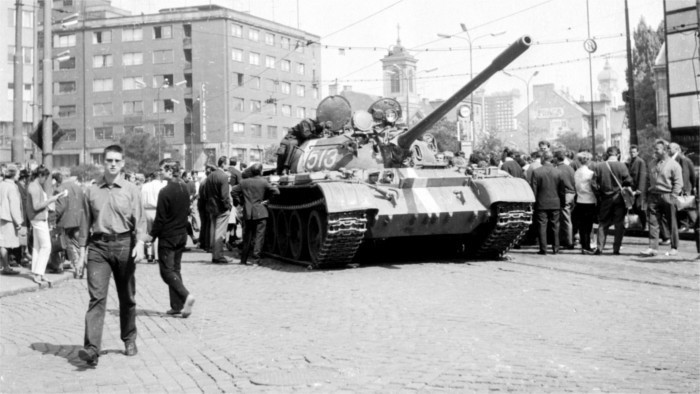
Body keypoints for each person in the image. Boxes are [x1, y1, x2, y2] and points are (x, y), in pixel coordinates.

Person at [77, 145, 147, 367]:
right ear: (103, 162)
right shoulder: (92, 190)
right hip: (98, 248)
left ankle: (129, 339)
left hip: (124, 245)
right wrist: (81, 253)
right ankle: (91, 349)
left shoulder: (131, 189)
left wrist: (141, 244)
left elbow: (141, 220)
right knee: (97, 298)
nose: (113, 164)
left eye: (117, 160)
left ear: (123, 163)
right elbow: (84, 223)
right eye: (109, 160)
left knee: (127, 297)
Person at [149, 160, 195, 317]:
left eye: (162, 170)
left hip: (168, 237)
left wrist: (151, 235)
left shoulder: (165, 191)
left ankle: (185, 295)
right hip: (181, 235)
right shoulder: (185, 188)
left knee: (166, 272)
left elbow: (160, 219)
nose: (160, 172)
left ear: (170, 171)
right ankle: (177, 305)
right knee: (175, 270)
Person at [641, 140, 683, 257]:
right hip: (653, 196)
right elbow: (647, 181)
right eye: (654, 149)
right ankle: (652, 248)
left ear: (664, 150)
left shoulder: (674, 165)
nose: (655, 151)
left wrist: (673, 196)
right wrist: (645, 197)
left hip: (668, 195)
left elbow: (678, 183)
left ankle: (674, 248)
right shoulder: (651, 163)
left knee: (672, 223)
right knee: (653, 222)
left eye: (657, 149)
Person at [231, 163, 280, 266]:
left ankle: (243, 259)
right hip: (260, 212)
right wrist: (267, 201)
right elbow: (276, 192)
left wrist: (241, 202)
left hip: (248, 212)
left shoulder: (243, 182)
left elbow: (233, 191)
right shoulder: (263, 182)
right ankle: (255, 260)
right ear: (261, 172)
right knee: (259, 236)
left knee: (247, 236)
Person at [27, 166, 65, 285]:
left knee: (38, 247)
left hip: (37, 218)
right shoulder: (34, 187)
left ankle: (37, 273)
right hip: (39, 219)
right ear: (41, 176)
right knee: (46, 247)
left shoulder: (35, 185)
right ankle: (39, 273)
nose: (45, 180)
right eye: (45, 177)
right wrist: (51, 200)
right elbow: (36, 206)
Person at [592, 146, 633, 255]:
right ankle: (616, 249)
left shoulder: (599, 166)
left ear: (607, 154)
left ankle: (599, 248)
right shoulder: (622, 165)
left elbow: (593, 184)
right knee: (619, 224)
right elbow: (628, 181)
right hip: (619, 198)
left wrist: (599, 195)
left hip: (605, 199)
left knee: (603, 223)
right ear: (618, 155)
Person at [54, 168, 86, 278]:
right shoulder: (79, 188)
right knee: (78, 244)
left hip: (66, 221)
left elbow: (60, 207)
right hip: (79, 220)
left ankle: (78, 268)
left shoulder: (60, 189)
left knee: (70, 246)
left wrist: (54, 218)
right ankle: (83, 265)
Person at [530, 151, 563, 255]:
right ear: (551, 159)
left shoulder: (536, 172)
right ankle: (556, 248)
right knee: (555, 225)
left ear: (542, 159)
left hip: (541, 203)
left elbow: (534, 190)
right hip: (555, 202)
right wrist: (562, 202)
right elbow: (562, 190)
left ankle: (543, 249)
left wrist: (533, 203)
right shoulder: (558, 172)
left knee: (542, 226)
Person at [204, 157, 233, 264]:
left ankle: (214, 255)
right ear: (223, 164)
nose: (228, 166)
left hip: (211, 207)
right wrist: (228, 206)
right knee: (220, 233)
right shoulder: (223, 176)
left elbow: (206, 193)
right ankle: (218, 256)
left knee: (214, 231)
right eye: (227, 164)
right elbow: (225, 195)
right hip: (221, 208)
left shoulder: (210, 176)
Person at [0, 165, 22, 275]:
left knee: (2, 242)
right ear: (13, 175)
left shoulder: (2, 184)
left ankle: (5, 265)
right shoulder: (12, 187)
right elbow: (14, 206)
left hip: (1, 216)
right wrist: (18, 221)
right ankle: (6, 267)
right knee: (5, 243)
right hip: (8, 218)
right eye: (17, 174)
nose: (19, 176)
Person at [670, 143, 697, 232]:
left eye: (669, 148)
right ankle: (686, 225)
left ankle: (686, 225)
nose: (667, 150)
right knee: (683, 207)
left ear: (676, 149)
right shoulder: (671, 159)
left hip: (683, 188)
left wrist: (683, 188)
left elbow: (685, 175)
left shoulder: (682, 159)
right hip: (676, 188)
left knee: (686, 207)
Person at [573, 152, 597, 254]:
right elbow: (594, 187)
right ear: (589, 161)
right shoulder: (590, 174)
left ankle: (584, 245)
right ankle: (587, 246)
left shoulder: (576, 173)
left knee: (582, 226)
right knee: (588, 225)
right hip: (590, 200)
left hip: (579, 200)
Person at [141, 170, 165, 263]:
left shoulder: (145, 186)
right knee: (159, 233)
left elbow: (141, 199)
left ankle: (150, 254)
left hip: (147, 210)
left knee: (149, 233)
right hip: (157, 210)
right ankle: (158, 256)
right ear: (159, 176)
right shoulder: (162, 186)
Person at [554, 150, 576, 248]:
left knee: (565, 219)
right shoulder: (570, 168)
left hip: (564, 195)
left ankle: (569, 242)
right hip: (572, 194)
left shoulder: (557, 169)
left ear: (555, 158)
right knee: (568, 218)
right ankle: (568, 239)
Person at [627, 145, 648, 230]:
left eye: (634, 152)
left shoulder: (640, 162)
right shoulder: (631, 161)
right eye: (631, 152)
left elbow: (642, 176)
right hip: (632, 189)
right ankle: (636, 225)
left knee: (640, 208)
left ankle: (643, 225)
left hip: (638, 190)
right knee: (633, 208)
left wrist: (639, 190)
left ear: (638, 152)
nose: (632, 154)